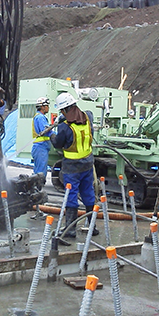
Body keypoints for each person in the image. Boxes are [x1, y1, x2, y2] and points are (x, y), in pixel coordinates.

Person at [50, 92, 98, 238]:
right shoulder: (88, 117)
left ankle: (70, 229)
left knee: (71, 196)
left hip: (72, 167)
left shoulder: (65, 127)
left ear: (64, 110)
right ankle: (92, 226)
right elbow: (88, 117)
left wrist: (52, 134)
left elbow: (58, 144)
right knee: (88, 193)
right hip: (88, 164)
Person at [31, 97, 53, 181]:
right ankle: (38, 188)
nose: (48, 107)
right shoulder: (40, 118)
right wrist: (57, 135)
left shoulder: (39, 117)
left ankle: (35, 187)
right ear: (42, 107)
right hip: (41, 147)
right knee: (40, 172)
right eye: (47, 105)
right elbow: (46, 131)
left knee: (38, 171)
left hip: (39, 148)